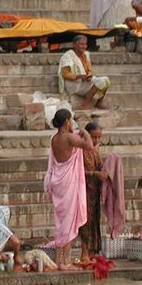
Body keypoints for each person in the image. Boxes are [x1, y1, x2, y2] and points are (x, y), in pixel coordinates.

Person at [44, 108, 93, 270]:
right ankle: (65, 262)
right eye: (70, 120)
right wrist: (84, 131)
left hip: (57, 182)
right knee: (69, 222)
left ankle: (59, 260)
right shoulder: (69, 137)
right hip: (68, 183)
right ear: (66, 121)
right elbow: (89, 145)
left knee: (61, 222)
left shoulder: (54, 139)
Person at [58, 35, 111, 110]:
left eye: (85, 44)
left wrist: (89, 76)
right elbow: (65, 74)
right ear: (74, 45)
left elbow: (89, 70)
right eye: (81, 44)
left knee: (106, 80)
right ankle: (86, 103)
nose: (84, 46)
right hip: (72, 84)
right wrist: (79, 76)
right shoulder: (68, 56)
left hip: (84, 81)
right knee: (102, 81)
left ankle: (98, 103)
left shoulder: (85, 55)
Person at [79, 121, 106, 266]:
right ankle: (84, 253)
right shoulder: (80, 150)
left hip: (94, 191)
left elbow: (100, 165)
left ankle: (92, 251)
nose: (96, 141)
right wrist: (94, 173)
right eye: (93, 137)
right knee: (85, 222)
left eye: (98, 138)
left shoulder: (96, 150)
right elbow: (77, 172)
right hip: (83, 191)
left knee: (94, 221)